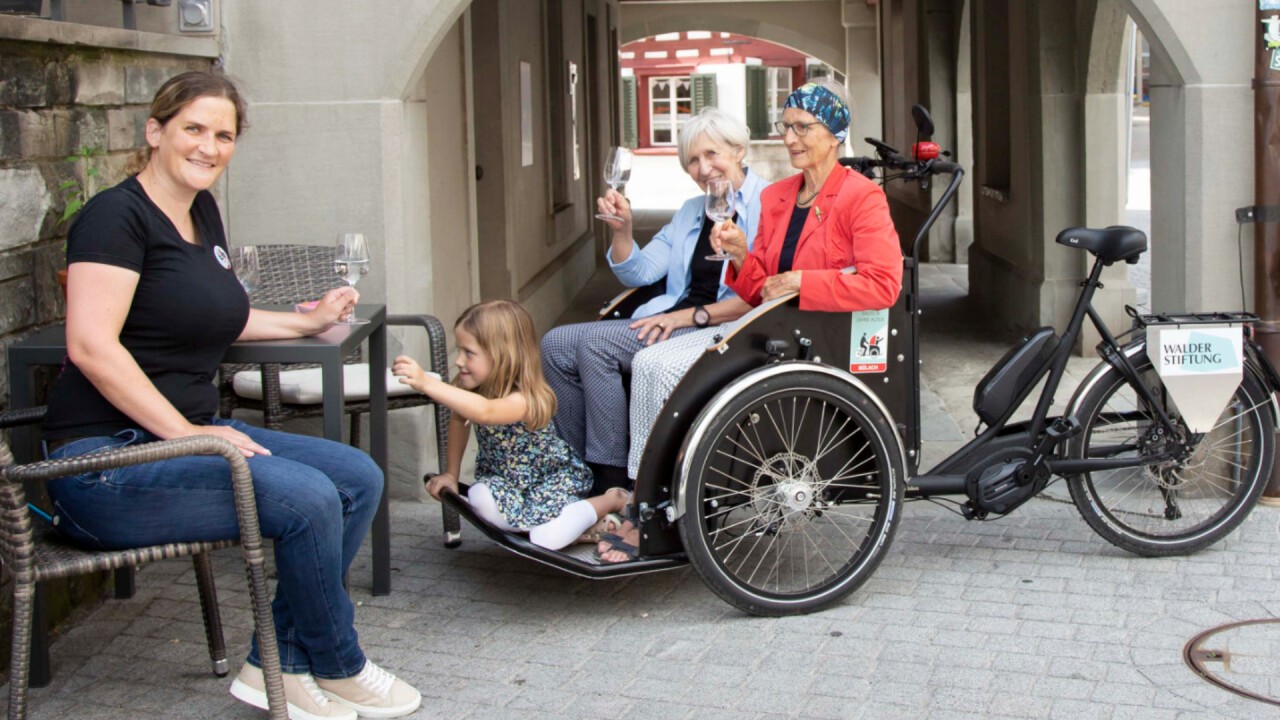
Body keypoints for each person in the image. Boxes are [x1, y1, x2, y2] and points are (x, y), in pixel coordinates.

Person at [40, 71, 421, 720]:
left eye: (224, 134)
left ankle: (278, 664)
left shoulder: (200, 211)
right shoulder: (114, 218)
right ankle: (336, 662)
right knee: (305, 498)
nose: (209, 147)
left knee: (355, 475)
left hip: (179, 439)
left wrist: (304, 321)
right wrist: (190, 434)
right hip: (103, 466)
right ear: (155, 132)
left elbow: (218, 315)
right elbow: (91, 347)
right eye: (193, 129)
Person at [599, 80, 903, 563]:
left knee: (656, 367)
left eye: (803, 127)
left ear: (835, 133)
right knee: (653, 363)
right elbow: (758, 286)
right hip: (765, 326)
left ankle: (647, 508)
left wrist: (805, 281)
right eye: (785, 127)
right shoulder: (780, 195)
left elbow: (883, 285)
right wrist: (740, 255)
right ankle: (651, 497)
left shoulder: (860, 197)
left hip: (812, 334)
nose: (790, 138)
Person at [541, 107, 769, 493]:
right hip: (672, 318)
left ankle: (609, 478)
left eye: (712, 154)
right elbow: (641, 272)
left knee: (596, 347)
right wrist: (623, 231)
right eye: (692, 161)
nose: (703, 168)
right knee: (555, 345)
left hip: (723, 328)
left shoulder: (770, 204)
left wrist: (688, 317)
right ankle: (574, 463)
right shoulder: (691, 211)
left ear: (738, 151)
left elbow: (763, 294)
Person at [394, 300, 632, 550]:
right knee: (479, 498)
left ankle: (611, 500)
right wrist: (451, 474)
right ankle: (567, 527)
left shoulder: (525, 399)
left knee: (544, 540)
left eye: (469, 353)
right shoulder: (474, 389)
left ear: (500, 356)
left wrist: (427, 383)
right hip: (505, 482)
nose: (459, 361)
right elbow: (459, 419)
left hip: (549, 483)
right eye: (459, 351)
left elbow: (486, 412)